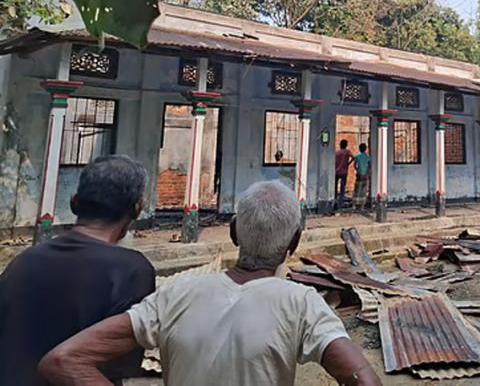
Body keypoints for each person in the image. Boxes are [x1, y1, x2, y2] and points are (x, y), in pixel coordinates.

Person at [39, 181, 381, 386]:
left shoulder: (176, 294)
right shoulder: (303, 304)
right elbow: (363, 379)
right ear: (294, 242)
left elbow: (64, 360)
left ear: (233, 232)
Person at [0, 155, 155, 386]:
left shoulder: (23, 261)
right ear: (137, 209)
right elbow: (115, 368)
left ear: (74, 203)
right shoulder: (132, 271)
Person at [334, 139, 354, 209]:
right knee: (342, 188)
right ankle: (340, 203)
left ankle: (335, 201)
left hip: (336, 171)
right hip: (344, 172)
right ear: (346, 145)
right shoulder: (347, 152)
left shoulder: (337, 152)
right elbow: (353, 157)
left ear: (340, 145)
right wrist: (348, 163)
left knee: (335, 187)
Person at [352, 143, 371, 211]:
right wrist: (367, 173)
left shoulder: (357, 157)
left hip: (359, 175)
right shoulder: (368, 158)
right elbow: (369, 166)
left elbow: (354, 165)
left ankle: (355, 205)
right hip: (365, 175)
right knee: (364, 191)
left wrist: (357, 170)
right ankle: (362, 206)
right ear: (365, 149)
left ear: (359, 149)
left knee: (357, 190)